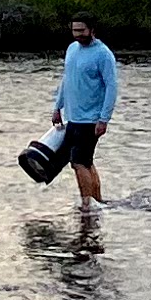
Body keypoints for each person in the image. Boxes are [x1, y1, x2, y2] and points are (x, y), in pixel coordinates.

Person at [53, 16, 118, 204]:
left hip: (91, 119)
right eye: (75, 30)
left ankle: (87, 205)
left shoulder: (103, 54)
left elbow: (111, 87)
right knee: (86, 162)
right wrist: (58, 106)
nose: (78, 35)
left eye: (82, 31)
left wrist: (104, 119)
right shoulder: (72, 49)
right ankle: (97, 202)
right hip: (72, 117)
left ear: (92, 30)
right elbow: (67, 79)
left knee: (78, 163)